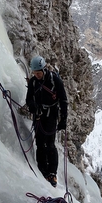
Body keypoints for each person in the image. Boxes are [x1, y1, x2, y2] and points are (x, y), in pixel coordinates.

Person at [26, 55, 68, 187]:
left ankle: (52, 173)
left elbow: (63, 101)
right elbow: (29, 99)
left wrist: (63, 119)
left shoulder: (55, 80)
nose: (36, 75)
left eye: (38, 73)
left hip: (51, 115)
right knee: (39, 143)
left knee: (49, 144)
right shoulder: (33, 82)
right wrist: (32, 106)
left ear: (44, 70)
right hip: (39, 115)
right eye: (35, 73)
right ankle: (42, 171)